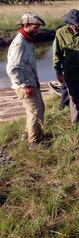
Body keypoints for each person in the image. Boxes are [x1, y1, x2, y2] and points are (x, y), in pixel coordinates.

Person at [6, 13, 46, 147]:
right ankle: (34, 142)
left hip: (31, 82)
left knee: (38, 109)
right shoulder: (19, 43)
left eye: (38, 27)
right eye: (35, 27)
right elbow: (12, 68)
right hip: (25, 84)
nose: (37, 30)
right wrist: (24, 85)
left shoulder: (27, 40)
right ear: (26, 25)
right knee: (35, 112)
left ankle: (26, 134)